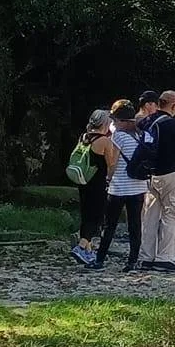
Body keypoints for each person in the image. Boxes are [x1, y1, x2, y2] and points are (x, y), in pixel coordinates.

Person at [91, 100, 148, 272]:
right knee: (135, 225)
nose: (113, 123)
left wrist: (108, 178)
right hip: (139, 186)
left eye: (115, 120)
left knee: (110, 225)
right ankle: (132, 262)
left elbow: (113, 162)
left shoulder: (117, 137)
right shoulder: (140, 134)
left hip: (119, 187)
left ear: (120, 120)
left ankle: (99, 260)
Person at [141, 90, 175, 272]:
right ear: (173, 105)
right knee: (172, 214)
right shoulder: (173, 125)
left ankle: (146, 257)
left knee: (149, 217)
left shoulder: (148, 121)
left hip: (150, 174)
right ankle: (165, 258)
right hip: (171, 173)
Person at [69, 109, 111, 267]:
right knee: (97, 216)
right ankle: (81, 247)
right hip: (98, 182)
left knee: (86, 213)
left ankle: (87, 251)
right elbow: (111, 163)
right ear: (105, 123)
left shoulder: (84, 137)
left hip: (84, 180)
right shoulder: (104, 141)